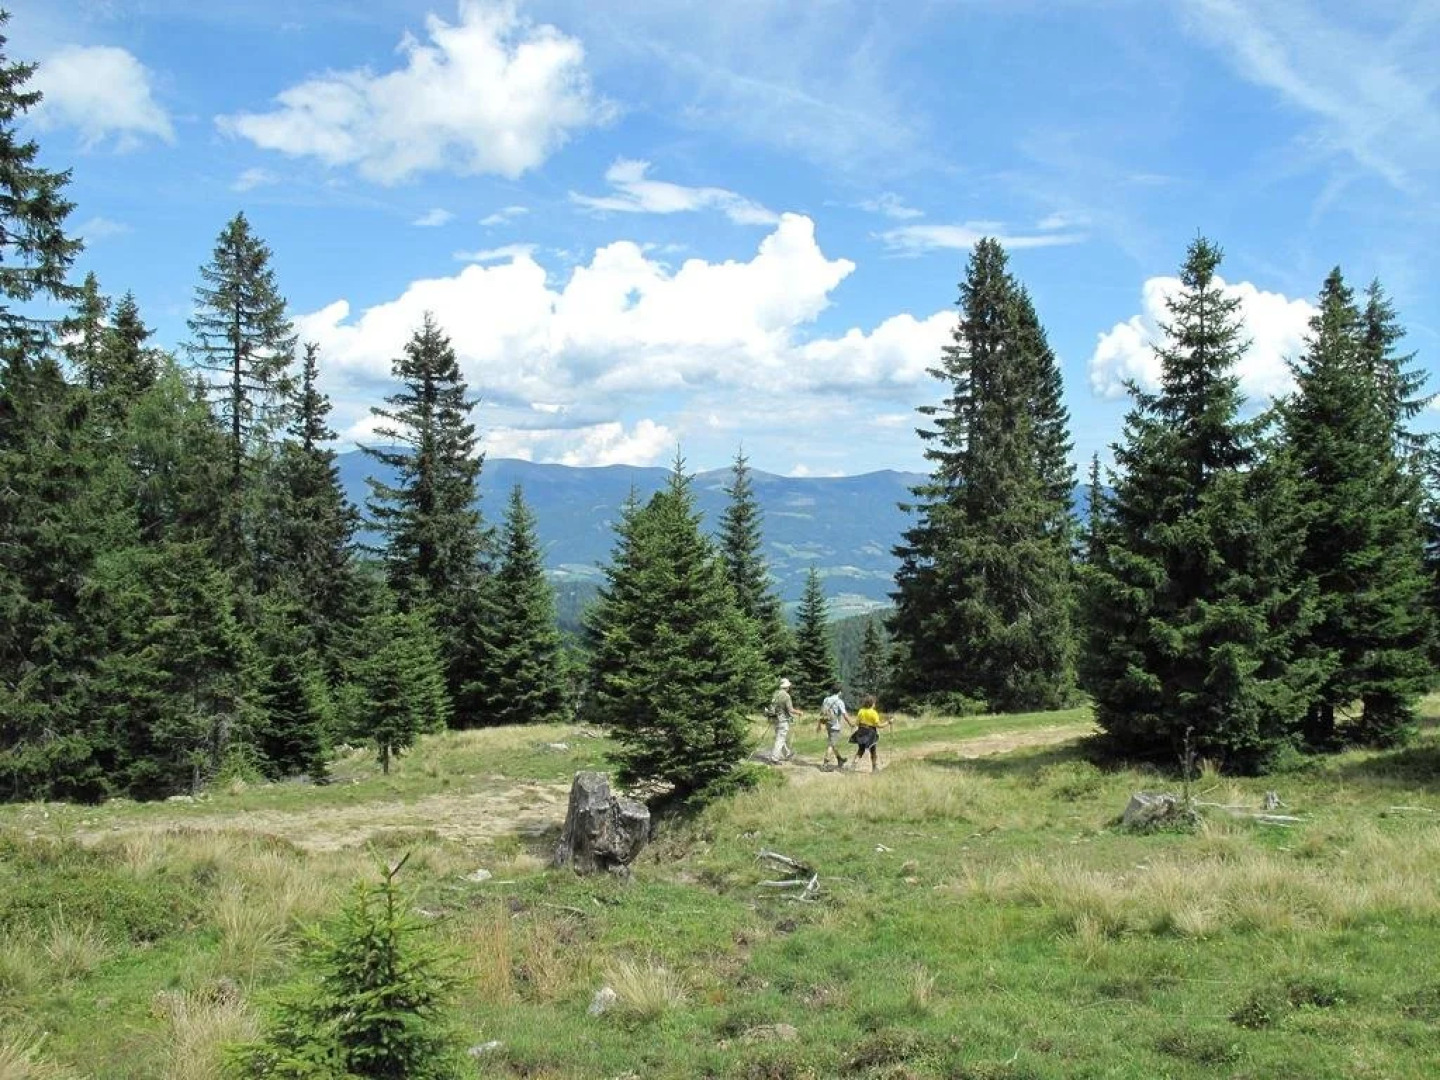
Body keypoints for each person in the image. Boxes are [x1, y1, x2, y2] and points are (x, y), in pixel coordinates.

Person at [849, 694, 890, 772]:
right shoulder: (873, 713)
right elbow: (879, 725)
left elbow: (857, 723)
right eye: (874, 703)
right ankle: (874, 768)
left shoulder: (861, 711)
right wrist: (888, 723)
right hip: (870, 733)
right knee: (873, 750)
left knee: (860, 750)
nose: (875, 704)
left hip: (861, 731)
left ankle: (853, 765)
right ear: (872, 703)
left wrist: (852, 725)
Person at [817, 684, 850, 771]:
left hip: (828, 723)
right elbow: (845, 714)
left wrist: (819, 725)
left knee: (833, 742)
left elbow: (822, 712)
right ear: (839, 692)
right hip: (835, 725)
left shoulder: (826, 699)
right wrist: (851, 723)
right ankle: (825, 765)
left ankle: (840, 759)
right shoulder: (839, 701)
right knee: (831, 744)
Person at [768, 678, 801, 762]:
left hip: (774, 718)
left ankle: (787, 754)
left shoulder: (775, 694)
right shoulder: (786, 696)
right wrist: (799, 712)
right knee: (780, 738)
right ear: (787, 687)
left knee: (780, 737)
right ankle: (774, 758)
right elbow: (791, 710)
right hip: (782, 719)